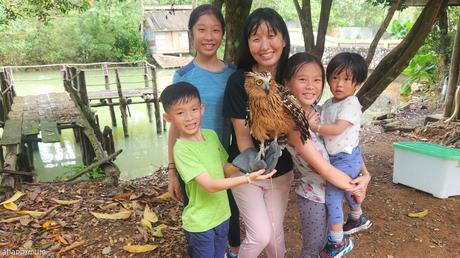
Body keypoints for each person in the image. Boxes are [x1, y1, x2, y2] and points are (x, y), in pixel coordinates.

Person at [160, 82, 275, 258]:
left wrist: (253, 160)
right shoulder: (181, 149)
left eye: (194, 109)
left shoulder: (211, 136)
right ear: (168, 118)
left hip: (222, 216)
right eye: (180, 113)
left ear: (202, 109)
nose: (189, 117)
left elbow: (225, 170)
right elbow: (211, 185)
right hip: (201, 224)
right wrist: (248, 179)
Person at [165, 5, 241, 256]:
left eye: (215, 30)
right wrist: (172, 171)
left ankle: (228, 250)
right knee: (200, 221)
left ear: (223, 34)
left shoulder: (233, 74)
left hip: (222, 157)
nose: (209, 37)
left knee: (227, 216)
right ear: (191, 33)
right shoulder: (184, 75)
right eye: (202, 30)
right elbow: (174, 129)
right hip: (192, 161)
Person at [283, 52, 371, 258]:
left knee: (329, 249)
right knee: (313, 250)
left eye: (316, 80)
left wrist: (366, 175)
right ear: (287, 84)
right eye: (302, 79)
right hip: (314, 196)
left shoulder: (322, 111)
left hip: (334, 191)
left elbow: (347, 145)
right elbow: (325, 169)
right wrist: (356, 185)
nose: (310, 86)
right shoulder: (293, 126)